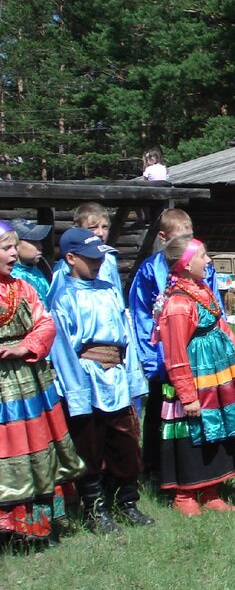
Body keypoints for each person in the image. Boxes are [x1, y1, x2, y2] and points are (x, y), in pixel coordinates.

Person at [49, 227, 152, 534]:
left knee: (125, 442)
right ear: (70, 259)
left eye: (99, 258)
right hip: (87, 377)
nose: (97, 264)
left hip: (117, 376)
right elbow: (63, 349)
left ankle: (127, 502)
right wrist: (76, 390)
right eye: (89, 259)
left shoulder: (108, 289)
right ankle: (96, 509)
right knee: (90, 447)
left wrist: (134, 377)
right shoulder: (63, 297)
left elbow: (126, 333)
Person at [154, 237, 235, 515]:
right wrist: (188, 396)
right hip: (195, 378)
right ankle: (184, 494)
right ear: (185, 264)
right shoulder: (178, 305)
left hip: (219, 374)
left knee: (216, 430)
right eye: (203, 256)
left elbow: (222, 327)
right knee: (194, 431)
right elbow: (176, 354)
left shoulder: (201, 289)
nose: (208, 261)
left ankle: (211, 490)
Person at [0, 222, 87, 546]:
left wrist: (26, 346)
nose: (12, 253)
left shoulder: (23, 288)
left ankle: (35, 526)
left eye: (13, 247)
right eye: (6, 248)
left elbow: (45, 321)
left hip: (28, 382)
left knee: (35, 447)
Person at [127, 209, 224, 479]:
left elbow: (215, 305)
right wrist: (152, 359)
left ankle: (202, 463)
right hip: (164, 353)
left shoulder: (205, 268)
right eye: (179, 239)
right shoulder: (150, 270)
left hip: (201, 352)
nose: (187, 246)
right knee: (160, 408)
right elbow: (142, 316)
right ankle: (155, 464)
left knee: (202, 405)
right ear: (163, 238)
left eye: (190, 238)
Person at [49, 202, 122, 305]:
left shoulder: (110, 259)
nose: (100, 233)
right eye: (93, 227)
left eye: (104, 227)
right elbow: (56, 302)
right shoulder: (66, 266)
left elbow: (117, 292)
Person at [10, 218, 53, 302]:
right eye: (34, 242)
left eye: (39, 241)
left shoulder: (36, 272)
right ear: (16, 244)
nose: (40, 246)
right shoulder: (12, 277)